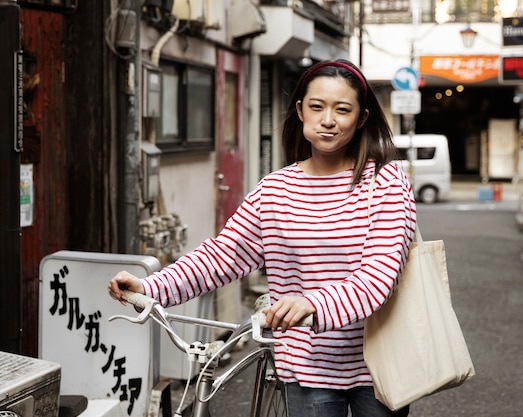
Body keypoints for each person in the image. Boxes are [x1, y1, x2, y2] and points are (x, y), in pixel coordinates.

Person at [108, 59, 416, 417]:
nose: (328, 120)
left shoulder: (386, 182)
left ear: (361, 118)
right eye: (316, 107)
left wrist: (312, 303)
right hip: (308, 366)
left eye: (342, 109)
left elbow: (379, 274)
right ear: (300, 110)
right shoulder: (276, 190)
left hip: (379, 359)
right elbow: (222, 256)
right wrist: (151, 287)